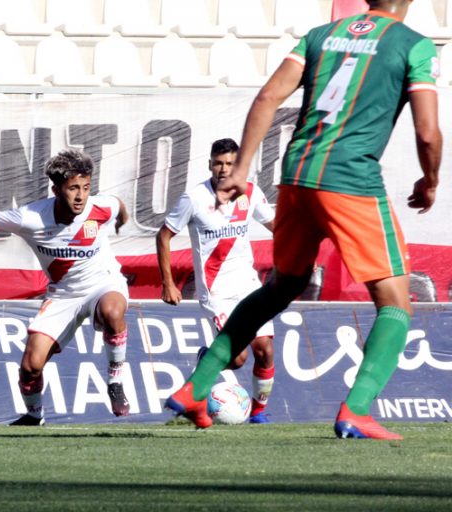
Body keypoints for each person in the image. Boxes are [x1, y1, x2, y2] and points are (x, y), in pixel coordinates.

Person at [165, 0, 441, 440]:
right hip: (351, 179)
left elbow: (269, 96)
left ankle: (197, 387)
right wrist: (430, 179)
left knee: (283, 286)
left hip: (295, 174)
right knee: (395, 301)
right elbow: (427, 131)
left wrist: (241, 169)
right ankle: (358, 409)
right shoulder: (414, 45)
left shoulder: (318, 36)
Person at [0, 149, 131, 425]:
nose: (81, 196)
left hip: (103, 282)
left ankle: (115, 380)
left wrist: (122, 218)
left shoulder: (100, 207)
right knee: (30, 367)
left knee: (113, 311)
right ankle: (35, 416)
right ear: (56, 189)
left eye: (85, 188)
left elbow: (118, 205)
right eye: (73, 188)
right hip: (63, 294)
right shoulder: (32, 218)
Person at [156, 138, 276, 424]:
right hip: (216, 291)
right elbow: (163, 235)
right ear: (209, 164)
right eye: (218, 163)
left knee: (265, 351)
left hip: (247, 284)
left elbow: (275, 226)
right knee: (236, 360)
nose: (223, 169)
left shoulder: (250, 193)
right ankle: (206, 359)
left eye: (229, 164)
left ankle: (258, 415)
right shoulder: (194, 198)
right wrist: (168, 282)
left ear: (238, 166)